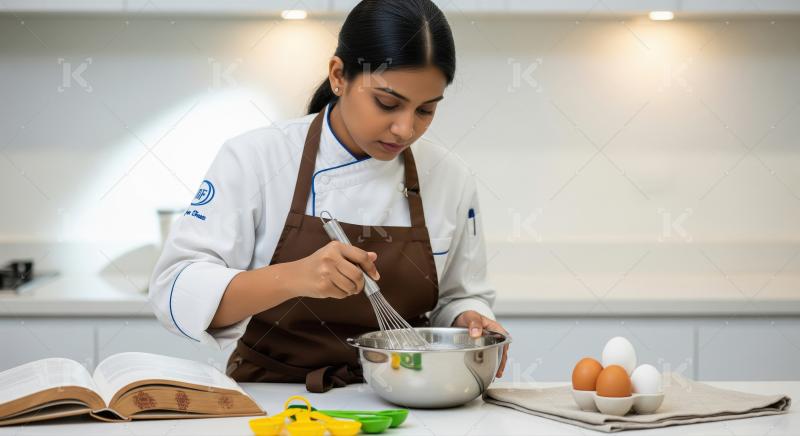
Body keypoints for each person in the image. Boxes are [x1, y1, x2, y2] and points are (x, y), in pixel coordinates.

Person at [149, 0, 509, 393]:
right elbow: (176, 289)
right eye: (387, 103)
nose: (404, 129)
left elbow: (459, 295)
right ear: (339, 76)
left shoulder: (449, 177)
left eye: (425, 110)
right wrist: (294, 277)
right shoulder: (255, 158)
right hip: (273, 397)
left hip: (405, 397)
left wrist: (470, 320)